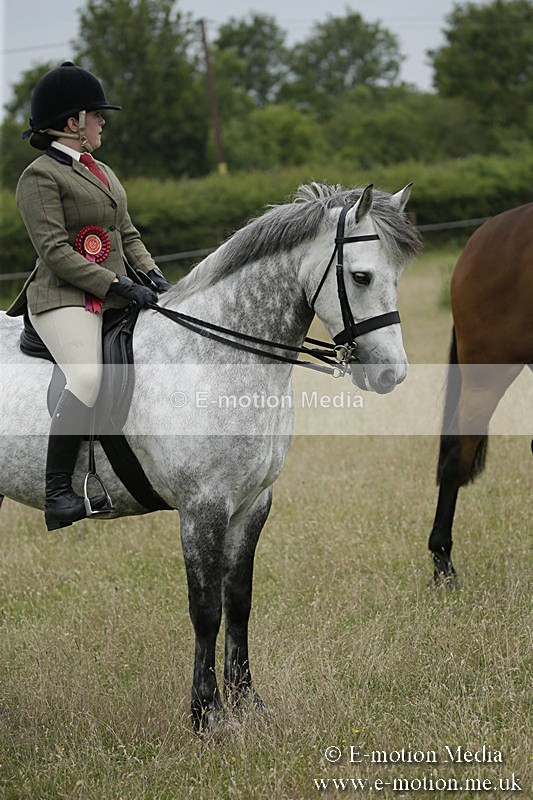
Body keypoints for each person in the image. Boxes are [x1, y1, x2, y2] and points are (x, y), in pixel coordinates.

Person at [6, 61, 171, 532]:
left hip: (114, 294)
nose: (102, 122)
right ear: (73, 121)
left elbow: (126, 233)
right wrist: (116, 285)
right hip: (62, 298)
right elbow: (55, 252)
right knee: (85, 375)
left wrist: (154, 277)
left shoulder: (102, 172)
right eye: (96, 115)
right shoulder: (39, 177)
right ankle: (58, 492)